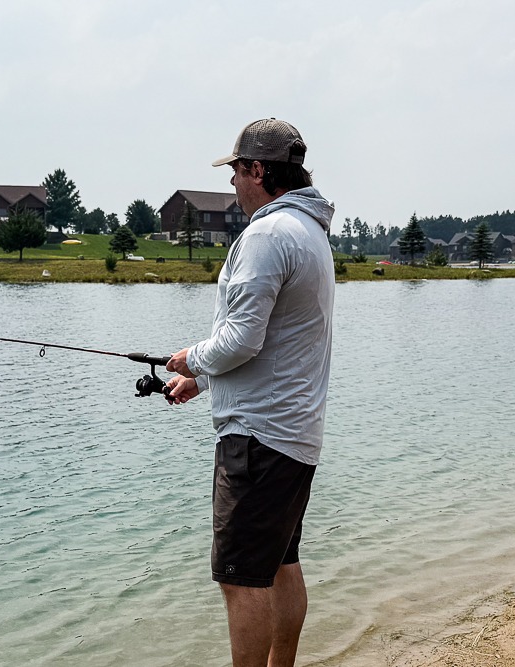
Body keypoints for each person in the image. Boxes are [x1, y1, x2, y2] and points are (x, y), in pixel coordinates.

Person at [165, 118, 335, 667]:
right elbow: (276, 339)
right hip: (293, 437)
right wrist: (203, 378)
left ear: (258, 170)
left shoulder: (266, 235)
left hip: (257, 440)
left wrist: (193, 357)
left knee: (241, 580)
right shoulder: (309, 231)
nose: (233, 183)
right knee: (281, 564)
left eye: (237, 171)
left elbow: (241, 338)